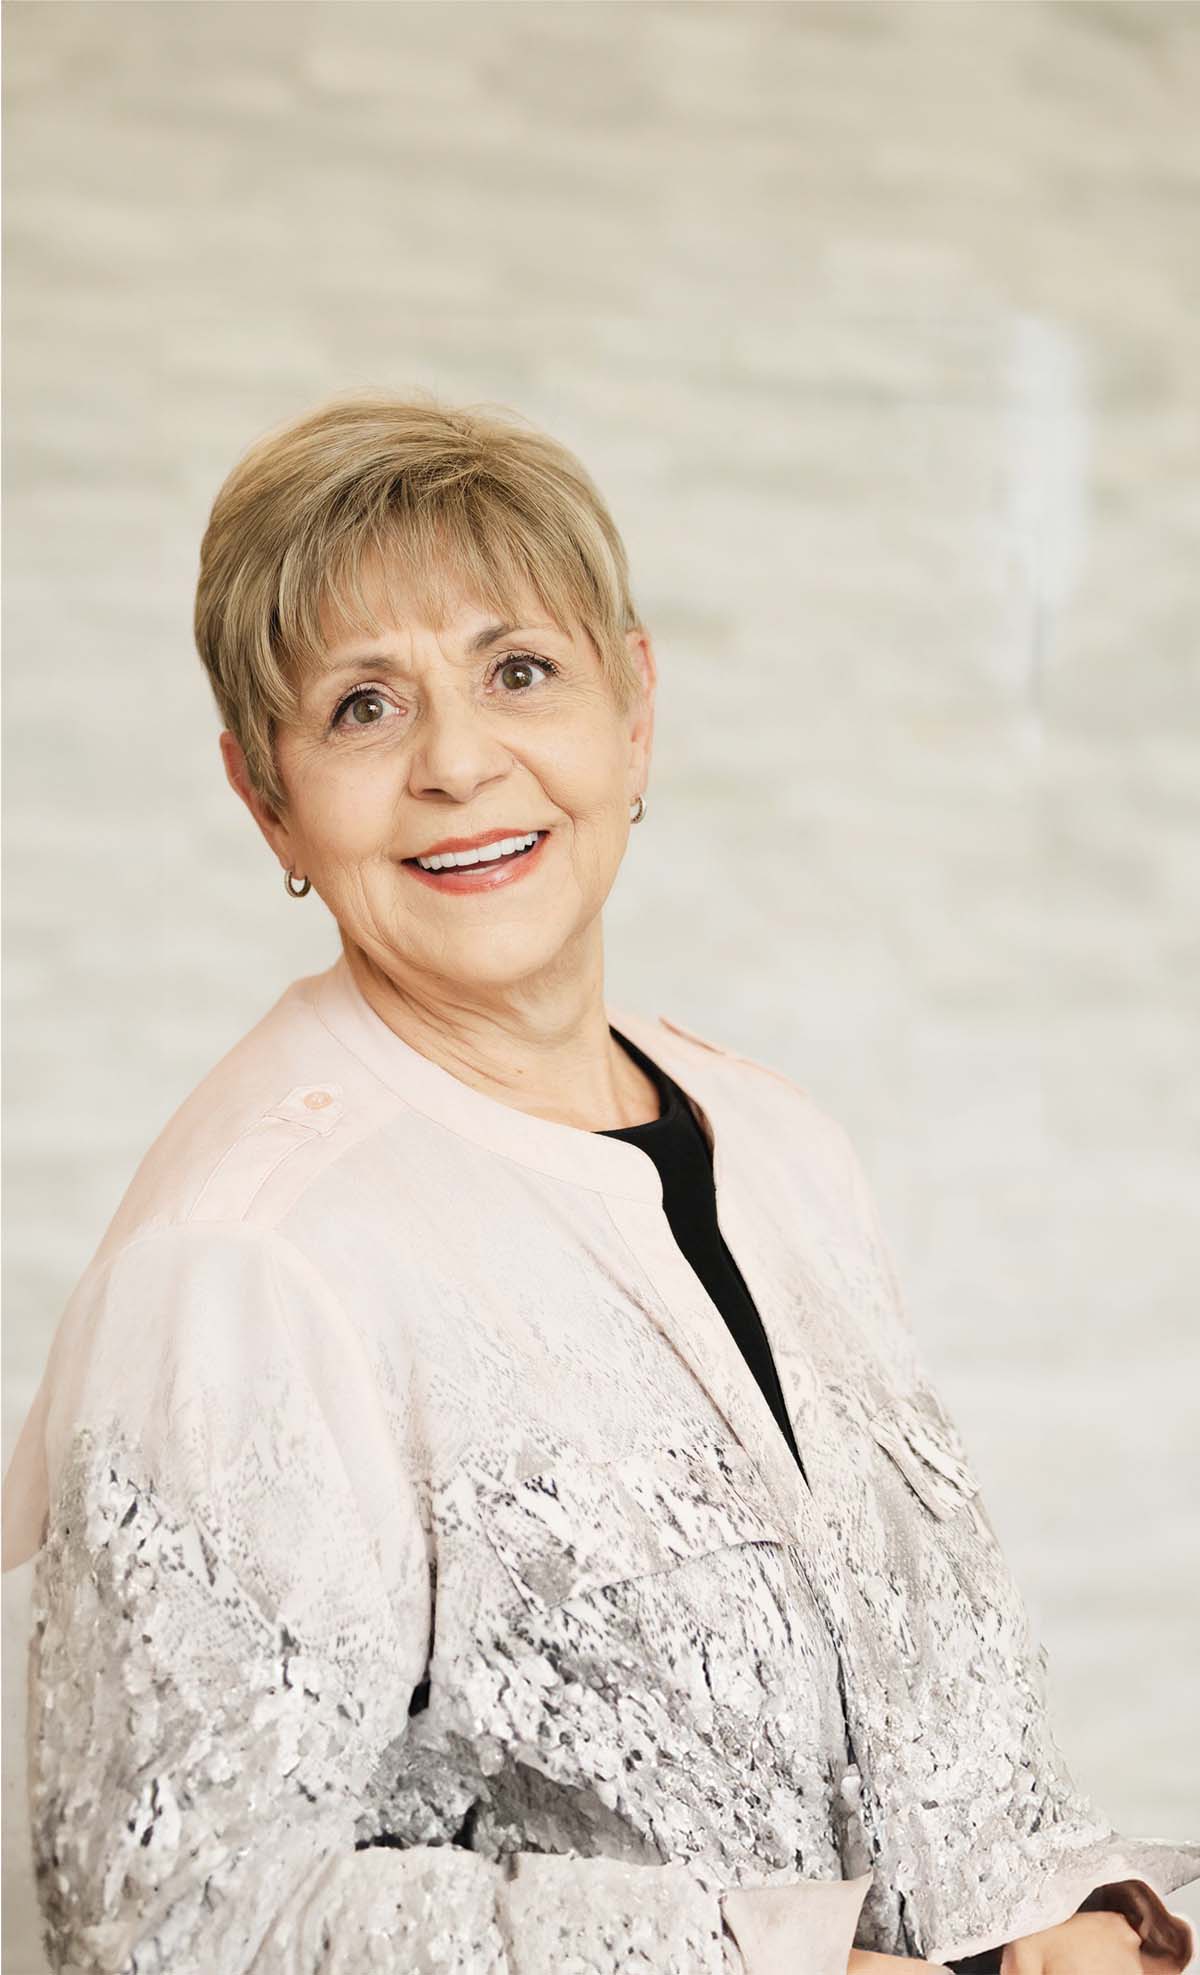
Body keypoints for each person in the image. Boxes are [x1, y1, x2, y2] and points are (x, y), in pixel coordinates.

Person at [3, 393, 1196, 1975]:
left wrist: (1082, 1914)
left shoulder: (779, 1146)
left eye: (519, 671)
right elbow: (175, 1922)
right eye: (364, 707)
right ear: (266, 797)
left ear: (634, 712)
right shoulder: (248, 1266)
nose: (457, 763)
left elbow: (926, 1739)